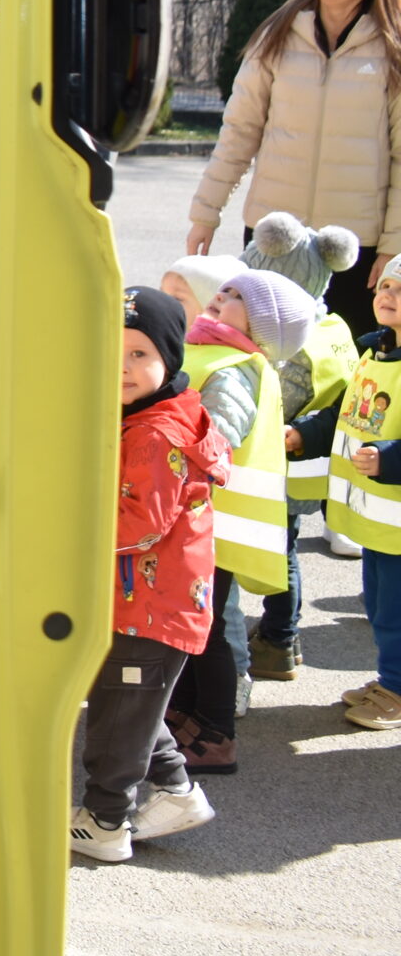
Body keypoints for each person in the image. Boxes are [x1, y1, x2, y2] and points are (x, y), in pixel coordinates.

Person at [187, 0, 401, 346]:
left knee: (342, 359)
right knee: (265, 354)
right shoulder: (277, 36)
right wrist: (205, 213)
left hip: (351, 249)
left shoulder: (392, 50)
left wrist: (392, 246)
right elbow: (238, 133)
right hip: (273, 238)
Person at [73, 289, 223, 863]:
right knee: (128, 709)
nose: (123, 366)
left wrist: (64, 535)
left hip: (150, 608)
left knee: (116, 722)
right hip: (144, 602)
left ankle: (107, 820)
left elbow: (141, 524)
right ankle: (177, 794)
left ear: (170, 358)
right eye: (113, 349)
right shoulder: (145, 416)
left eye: (139, 354)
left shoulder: (155, 434)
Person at [170, 269, 315, 774]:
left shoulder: (234, 368)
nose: (221, 296)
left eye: (237, 297)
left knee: (204, 630)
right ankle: (184, 715)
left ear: (261, 327)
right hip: (195, 516)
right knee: (191, 625)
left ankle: (216, 734)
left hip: (206, 521)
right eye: (225, 289)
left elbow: (219, 438)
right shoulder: (209, 352)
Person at [235, 212, 362, 679]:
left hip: (277, 461)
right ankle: (282, 635)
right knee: (284, 545)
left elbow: (273, 401)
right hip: (313, 463)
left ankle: (279, 640)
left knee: (279, 553)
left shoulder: (285, 339)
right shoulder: (331, 326)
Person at [288, 253, 401, 731]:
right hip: (375, 521)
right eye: (385, 287)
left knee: (396, 613)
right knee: (378, 607)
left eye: (400, 291)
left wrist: (389, 459)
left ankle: (396, 691)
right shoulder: (373, 352)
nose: (388, 296)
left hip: (396, 525)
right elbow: (344, 415)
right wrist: (304, 435)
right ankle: (389, 680)